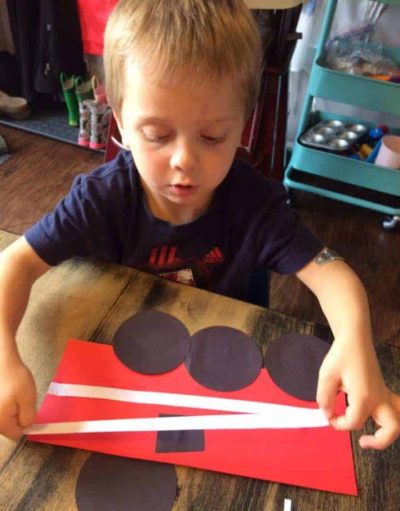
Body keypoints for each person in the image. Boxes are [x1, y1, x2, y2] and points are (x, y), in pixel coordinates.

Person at [0, 0, 399, 448]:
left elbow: (332, 273)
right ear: (120, 121)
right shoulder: (102, 198)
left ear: (244, 124)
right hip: (125, 367)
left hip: (226, 370)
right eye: (157, 135)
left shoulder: (254, 205)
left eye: (212, 137)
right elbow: (12, 266)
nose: (184, 161)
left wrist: (355, 340)